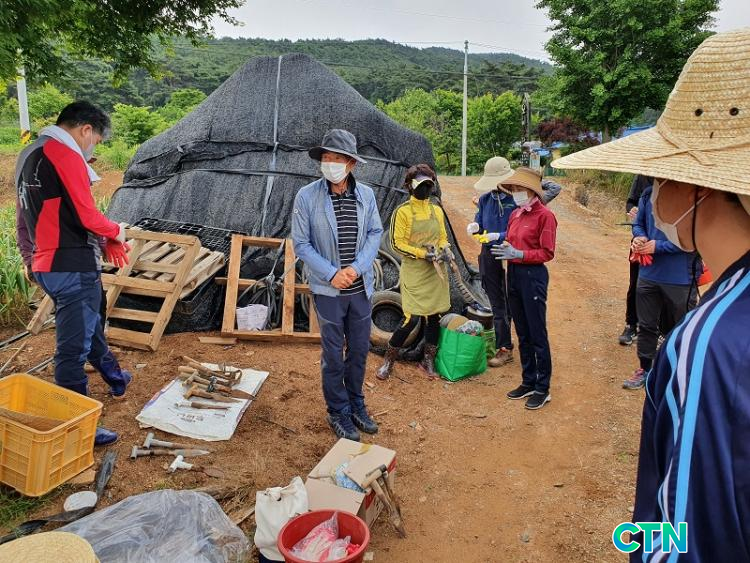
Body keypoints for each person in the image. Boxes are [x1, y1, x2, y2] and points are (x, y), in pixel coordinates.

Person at [552, 28, 750, 561]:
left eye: (661, 177)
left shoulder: (710, 342)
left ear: (697, 187)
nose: (654, 191)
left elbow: (688, 535)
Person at [15, 101, 132, 446]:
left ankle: (115, 378)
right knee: (72, 351)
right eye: (96, 140)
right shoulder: (64, 154)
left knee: (90, 327)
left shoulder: (29, 154)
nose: (93, 148)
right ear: (85, 130)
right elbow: (86, 214)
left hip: (49, 264)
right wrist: (116, 232)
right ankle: (79, 428)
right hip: (71, 266)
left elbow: (25, 219)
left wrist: (30, 260)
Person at [292, 129, 383, 442]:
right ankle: (338, 410)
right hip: (329, 291)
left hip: (359, 290)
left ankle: (356, 404)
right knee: (333, 353)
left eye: (337, 158)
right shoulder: (307, 196)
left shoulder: (366, 195)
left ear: (351, 164)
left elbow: (375, 233)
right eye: (326, 158)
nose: (329, 164)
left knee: (358, 350)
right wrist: (332, 273)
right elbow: (301, 243)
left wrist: (356, 268)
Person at [468, 157, 562, 367]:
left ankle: (530, 353)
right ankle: (504, 346)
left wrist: (529, 181)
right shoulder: (485, 200)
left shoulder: (521, 200)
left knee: (516, 303)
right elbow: (480, 224)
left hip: (517, 257)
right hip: (491, 253)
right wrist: (476, 228)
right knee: (497, 302)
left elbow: (553, 188)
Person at [490, 167, 557, 410]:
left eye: (520, 189)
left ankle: (542, 387)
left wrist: (519, 253)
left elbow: (547, 252)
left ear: (532, 190)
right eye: (514, 189)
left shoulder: (545, 216)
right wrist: (505, 247)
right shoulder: (515, 214)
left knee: (537, 332)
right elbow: (511, 239)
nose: (516, 193)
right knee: (522, 331)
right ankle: (528, 380)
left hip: (533, 275)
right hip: (514, 275)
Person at [376, 164, 451, 381]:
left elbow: (442, 237)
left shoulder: (437, 210)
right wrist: (422, 254)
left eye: (429, 185)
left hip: (436, 272)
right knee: (410, 318)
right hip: (415, 272)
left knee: (434, 317)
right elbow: (396, 243)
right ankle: (389, 360)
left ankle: (427, 361)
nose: (425, 189)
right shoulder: (402, 212)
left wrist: (445, 249)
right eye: (421, 185)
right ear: (410, 186)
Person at [621, 183, 698, 390]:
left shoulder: (693, 197)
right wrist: (639, 237)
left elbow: (694, 238)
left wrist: (659, 246)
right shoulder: (648, 194)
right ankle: (645, 369)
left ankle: (680, 374)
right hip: (648, 274)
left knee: (682, 328)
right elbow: (638, 224)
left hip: (680, 278)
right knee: (646, 326)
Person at [619, 174, 653, 345]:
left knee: (663, 288)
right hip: (641, 241)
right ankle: (631, 325)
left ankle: (661, 329)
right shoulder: (642, 176)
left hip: (666, 243)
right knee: (636, 284)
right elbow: (630, 202)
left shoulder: (677, 179)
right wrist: (632, 209)